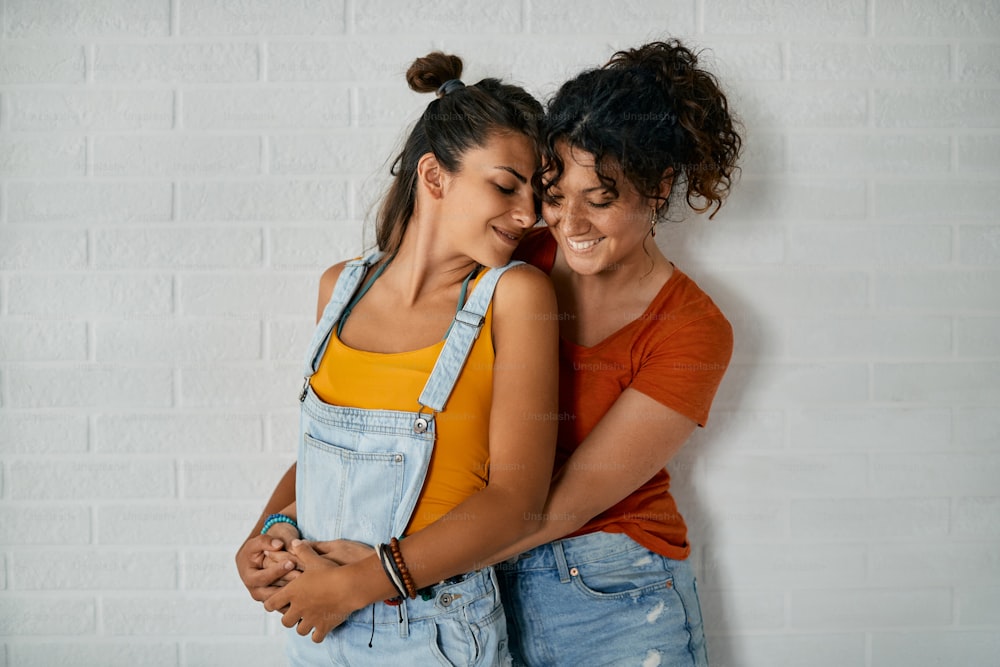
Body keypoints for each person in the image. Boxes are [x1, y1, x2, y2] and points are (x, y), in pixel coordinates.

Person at [242, 38, 741, 666]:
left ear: (660, 187)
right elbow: (370, 425)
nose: (565, 223)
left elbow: (551, 508)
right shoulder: (505, 259)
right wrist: (280, 533)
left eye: (603, 198)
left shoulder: (690, 329)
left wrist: (377, 575)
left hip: (606, 594)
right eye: (556, 195)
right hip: (464, 585)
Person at [235, 51, 559, 665]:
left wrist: (355, 584)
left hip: (434, 632)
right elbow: (323, 459)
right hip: (317, 627)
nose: (528, 215)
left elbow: (517, 501)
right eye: (506, 185)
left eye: (535, 197)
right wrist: (266, 534)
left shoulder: (514, 297)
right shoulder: (340, 289)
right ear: (434, 177)